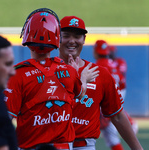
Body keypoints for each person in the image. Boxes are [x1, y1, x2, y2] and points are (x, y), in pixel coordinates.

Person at [4, 8, 98, 150]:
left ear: (26, 37)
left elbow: (4, 119)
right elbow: (80, 93)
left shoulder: (16, 75)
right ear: (56, 39)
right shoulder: (69, 71)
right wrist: (81, 77)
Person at [58, 16, 143, 150]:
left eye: (77, 36)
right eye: (66, 35)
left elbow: (118, 116)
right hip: (52, 145)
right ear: (57, 37)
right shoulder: (46, 71)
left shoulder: (101, 73)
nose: (72, 41)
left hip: (84, 146)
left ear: (84, 40)